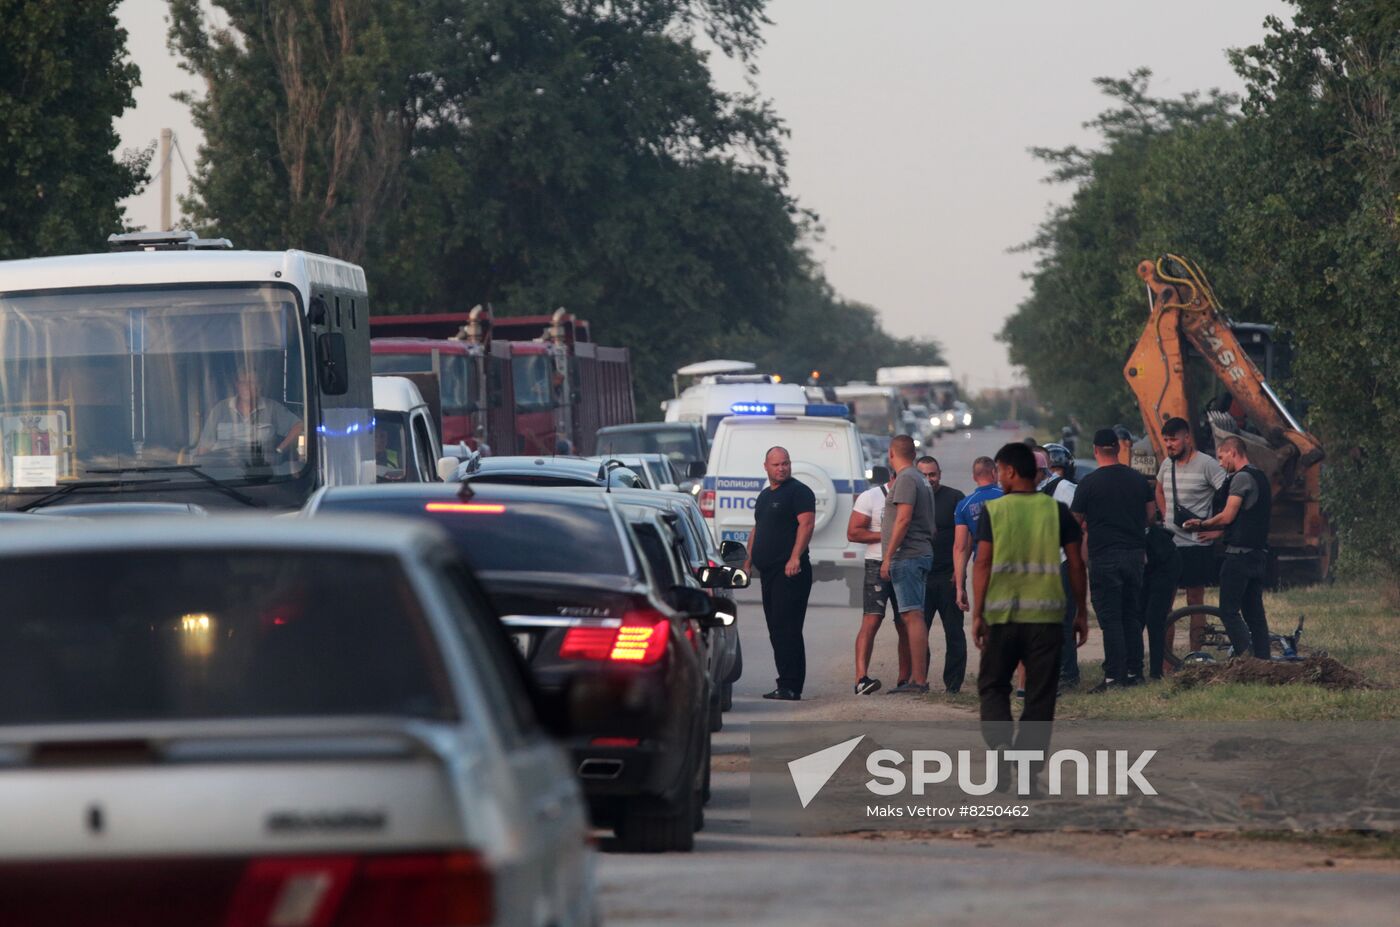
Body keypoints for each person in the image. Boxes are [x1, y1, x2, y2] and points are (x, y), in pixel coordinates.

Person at [972, 443, 1087, 790]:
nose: (998, 476)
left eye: (999, 470)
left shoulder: (994, 511)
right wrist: (1081, 611)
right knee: (1040, 696)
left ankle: (1002, 745)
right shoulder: (1056, 511)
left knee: (993, 686)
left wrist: (977, 614)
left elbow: (982, 563)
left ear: (1009, 472)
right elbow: (1077, 563)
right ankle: (1027, 772)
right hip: (1047, 620)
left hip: (1003, 617)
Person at [1071, 429, 1156, 691]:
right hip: (1134, 555)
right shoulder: (1138, 480)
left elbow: (1075, 521)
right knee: (1131, 614)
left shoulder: (1089, 483)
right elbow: (1151, 516)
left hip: (1104, 555)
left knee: (1111, 618)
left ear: (1096, 451)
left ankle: (1113, 677)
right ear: (1118, 449)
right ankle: (1134, 673)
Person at [1184, 436, 1273, 658]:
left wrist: (1202, 523)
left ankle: (1245, 657)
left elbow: (1228, 515)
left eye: (1222, 458)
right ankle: (1263, 659)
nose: (1221, 464)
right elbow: (1248, 518)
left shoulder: (1241, 478)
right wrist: (1220, 531)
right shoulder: (1260, 476)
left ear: (1232, 452)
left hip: (1239, 558)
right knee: (1255, 615)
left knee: (1229, 611)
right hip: (1258, 555)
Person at [743, 446, 816, 700]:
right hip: (769, 573)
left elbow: (806, 525)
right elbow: (758, 529)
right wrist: (748, 559)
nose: (782, 468)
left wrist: (795, 556)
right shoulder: (764, 496)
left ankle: (791, 685)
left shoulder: (799, 492)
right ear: (766, 467)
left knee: (788, 628)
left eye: (785, 463)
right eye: (776, 464)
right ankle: (784, 681)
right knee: (776, 628)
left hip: (791, 573)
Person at [1155, 417, 1227, 656]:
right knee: (1165, 602)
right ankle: (1166, 659)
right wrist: (1166, 512)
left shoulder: (1208, 464)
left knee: (1195, 602)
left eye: (1173, 439)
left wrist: (1219, 530)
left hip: (1197, 544)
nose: (1169, 444)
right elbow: (1158, 488)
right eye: (1166, 440)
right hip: (1169, 545)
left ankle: (1196, 656)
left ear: (1187, 438)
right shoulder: (1167, 464)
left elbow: (1230, 495)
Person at [881, 435, 936, 694]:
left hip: (909, 555)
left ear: (892, 453)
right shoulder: (921, 479)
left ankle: (918, 680)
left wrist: (888, 556)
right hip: (920, 552)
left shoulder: (905, 479)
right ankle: (917, 678)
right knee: (913, 615)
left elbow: (903, 520)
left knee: (912, 616)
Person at [848, 466, 906, 694]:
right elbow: (853, 533)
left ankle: (906, 678)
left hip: (905, 564)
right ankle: (861, 678)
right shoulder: (870, 497)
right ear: (892, 477)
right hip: (875, 563)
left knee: (905, 623)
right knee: (871, 621)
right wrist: (887, 536)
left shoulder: (915, 497)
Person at [918, 456, 967, 693]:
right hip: (920, 577)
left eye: (932, 474)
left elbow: (966, 541)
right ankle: (918, 681)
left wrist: (960, 574)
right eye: (924, 475)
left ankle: (954, 685)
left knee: (954, 633)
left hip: (949, 576)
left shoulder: (955, 498)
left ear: (940, 474)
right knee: (918, 633)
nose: (928, 480)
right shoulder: (911, 499)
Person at [1039, 444, 1085, 691]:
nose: (1053, 473)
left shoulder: (1066, 489)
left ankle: (1068, 673)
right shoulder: (1039, 489)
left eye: (1057, 468)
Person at [196, 366, 303, 461]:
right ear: (237, 385)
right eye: (243, 382)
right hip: (223, 468)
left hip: (261, 469)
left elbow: (299, 425)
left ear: (259, 386)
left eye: (252, 382)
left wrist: (279, 450)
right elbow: (204, 446)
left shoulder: (272, 408)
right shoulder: (220, 409)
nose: (247, 386)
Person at [953, 457, 1004, 613]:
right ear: (994, 473)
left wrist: (959, 587)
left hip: (983, 568)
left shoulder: (964, 505)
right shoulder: (1008, 496)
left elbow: (960, 548)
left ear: (974, 477)